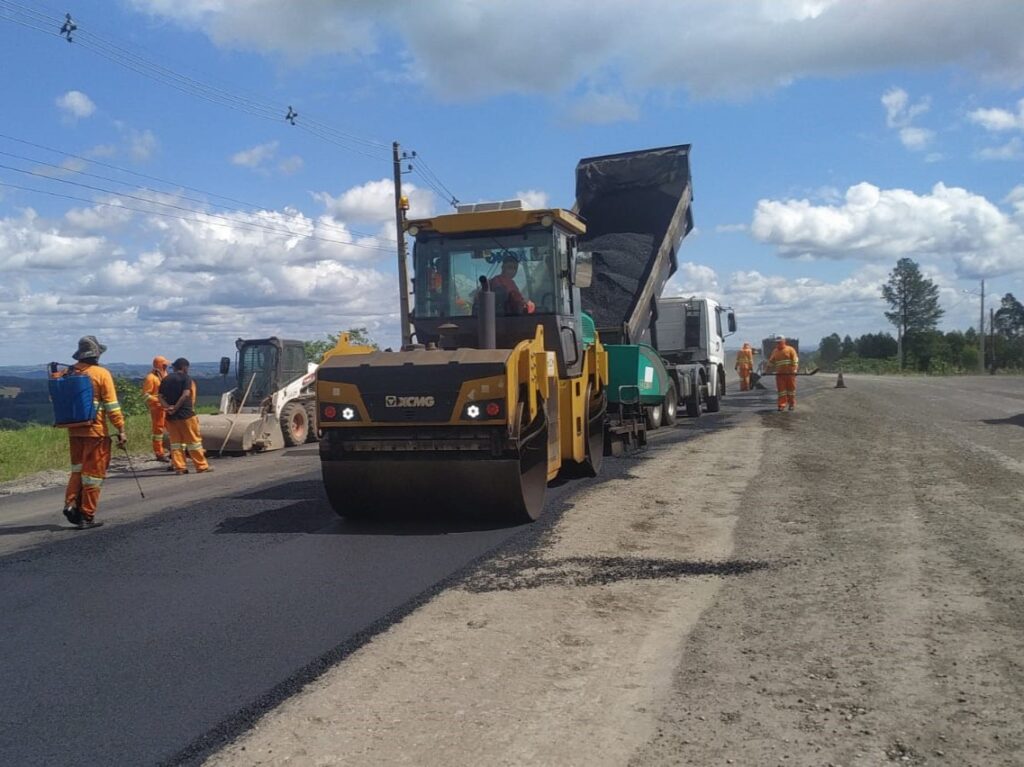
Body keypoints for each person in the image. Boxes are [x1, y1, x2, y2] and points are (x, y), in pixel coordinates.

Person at [60, 335, 127, 529]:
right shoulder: (101, 374)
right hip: (95, 432)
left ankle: (71, 504)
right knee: (93, 475)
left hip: (73, 431)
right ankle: (86, 515)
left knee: (77, 471)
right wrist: (121, 429)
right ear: (97, 355)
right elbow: (112, 406)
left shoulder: (67, 373)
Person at [158, 358, 211, 475]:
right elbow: (186, 394)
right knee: (194, 442)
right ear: (184, 367)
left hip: (171, 417)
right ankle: (201, 466)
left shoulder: (166, 379)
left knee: (175, 443)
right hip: (186, 415)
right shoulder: (186, 378)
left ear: (175, 367)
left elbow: (160, 397)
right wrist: (176, 407)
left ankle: (180, 468)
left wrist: (168, 408)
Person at [141, 355, 170, 462]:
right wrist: (158, 400)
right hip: (157, 408)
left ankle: (172, 451)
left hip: (166, 408)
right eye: (164, 365)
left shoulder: (165, 375)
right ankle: (159, 453)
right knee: (158, 431)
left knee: (170, 429)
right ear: (159, 365)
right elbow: (145, 395)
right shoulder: (151, 378)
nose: (166, 367)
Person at [768, 337, 800, 411]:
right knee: (781, 391)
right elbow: (771, 361)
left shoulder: (790, 349)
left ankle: (791, 404)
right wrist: (766, 370)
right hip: (780, 375)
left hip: (790, 374)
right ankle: (781, 405)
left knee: (791, 390)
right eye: (777, 342)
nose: (778, 343)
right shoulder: (775, 351)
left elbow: (795, 360)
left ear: (784, 341)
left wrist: (795, 369)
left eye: (779, 342)